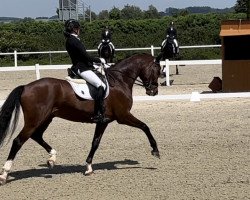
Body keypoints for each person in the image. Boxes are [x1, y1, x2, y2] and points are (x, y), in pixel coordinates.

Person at [64, 19, 109, 123]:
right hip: (81, 68)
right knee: (100, 85)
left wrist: (93, 64)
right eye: (78, 28)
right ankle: (97, 114)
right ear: (75, 29)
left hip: (82, 65)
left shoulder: (70, 40)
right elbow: (86, 56)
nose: (79, 30)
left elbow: (82, 57)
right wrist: (99, 60)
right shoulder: (74, 41)